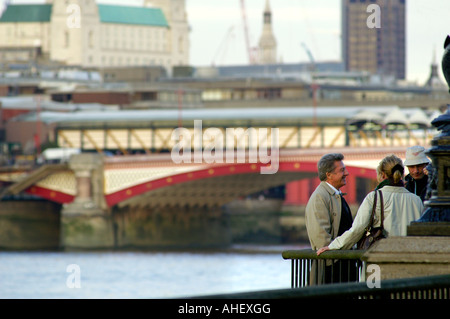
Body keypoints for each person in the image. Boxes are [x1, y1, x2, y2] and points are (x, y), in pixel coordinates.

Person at [316, 154, 424, 256]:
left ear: (382, 174)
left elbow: (357, 230)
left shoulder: (374, 197)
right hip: (410, 258)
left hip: (382, 259)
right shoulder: (416, 200)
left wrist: (333, 246)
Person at [305, 153, 355, 283]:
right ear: (329, 175)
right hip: (331, 270)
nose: (347, 173)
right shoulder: (320, 197)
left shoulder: (334, 195)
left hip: (342, 266)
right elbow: (321, 239)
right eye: (342, 170)